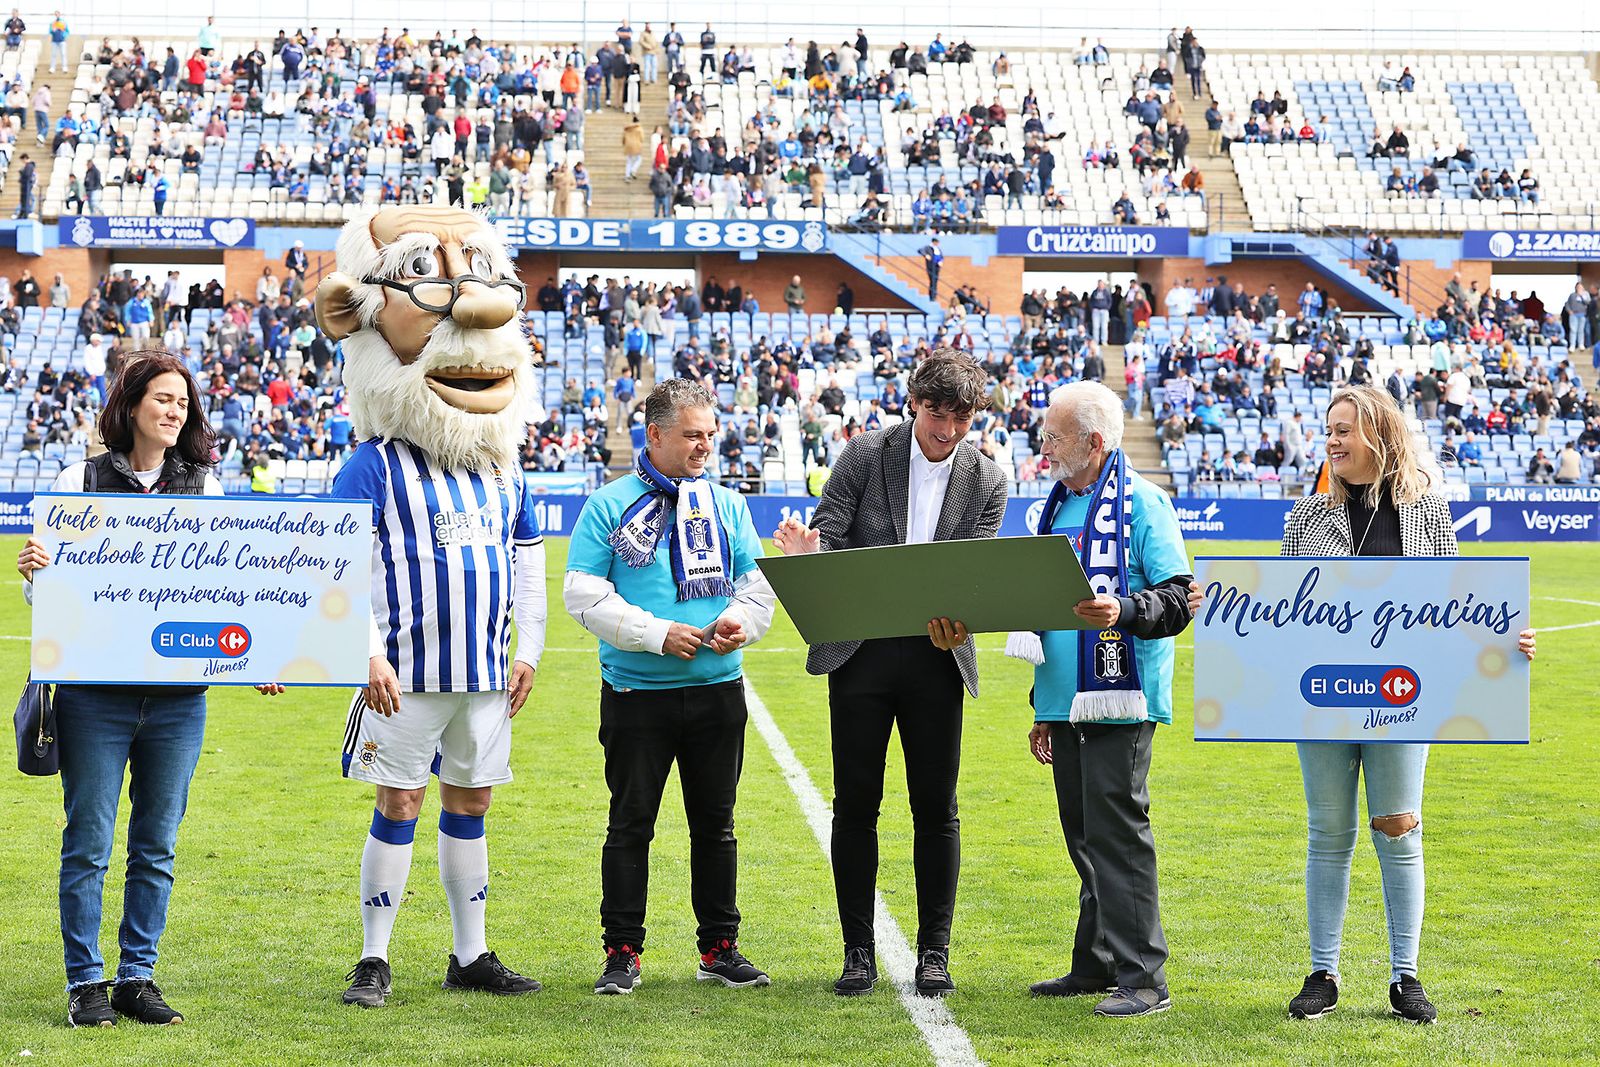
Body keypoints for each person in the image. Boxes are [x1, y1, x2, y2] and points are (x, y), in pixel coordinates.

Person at [1253, 386, 1538, 1025]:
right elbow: (1286, 616)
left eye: (1345, 430)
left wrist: (1507, 637)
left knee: (1399, 833)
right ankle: (1322, 973)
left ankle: (1405, 976)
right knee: (1328, 834)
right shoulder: (1307, 516)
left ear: (1380, 435)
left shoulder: (1430, 516)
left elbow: (1454, 612)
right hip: (1322, 699)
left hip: (1404, 701)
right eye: (1329, 428)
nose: (1332, 439)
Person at [17, 352, 283, 1028]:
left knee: (156, 844)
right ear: (132, 403)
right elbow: (45, 596)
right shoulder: (78, 476)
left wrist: (256, 653)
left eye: (183, 403)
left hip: (177, 701)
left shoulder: (206, 485)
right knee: (89, 841)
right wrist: (37, 569)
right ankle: (86, 984)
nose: (174, 411)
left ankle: (137, 976)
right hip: (92, 696)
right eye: (162, 398)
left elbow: (224, 586)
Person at [772, 351, 1009, 998]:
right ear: (914, 401)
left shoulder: (989, 479)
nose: (949, 428)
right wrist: (810, 551)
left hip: (937, 657)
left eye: (961, 417)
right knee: (855, 804)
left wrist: (964, 618)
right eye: (938, 413)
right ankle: (857, 953)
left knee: (937, 808)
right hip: (862, 653)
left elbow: (977, 577)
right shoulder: (863, 453)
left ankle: (935, 951)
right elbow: (831, 535)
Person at [564, 378, 777, 995]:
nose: (704, 446)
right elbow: (582, 592)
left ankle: (720, 948)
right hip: (636, 694)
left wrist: (741, 622)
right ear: (654, 435)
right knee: (631, 825)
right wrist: (656, 633)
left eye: (710, 435)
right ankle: (622, 952)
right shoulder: (608, 504)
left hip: (718, 693)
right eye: (692, 435)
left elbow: (754, 583)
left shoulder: (728, 504)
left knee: (717, 826)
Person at [1010, 381, 1195, 1018]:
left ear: (1093, 443)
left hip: (1123, 698)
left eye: (1054, 435)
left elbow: (1178, 601)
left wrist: (1125, 608)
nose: (1044, 444)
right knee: (1083, 837)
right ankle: (1095, 966)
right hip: (1064, 702)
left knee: (1117, 836)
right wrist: (1043, 705)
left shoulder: (1146, 505)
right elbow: (1046, 615)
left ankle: (1144, 978)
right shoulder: (1052, 507)